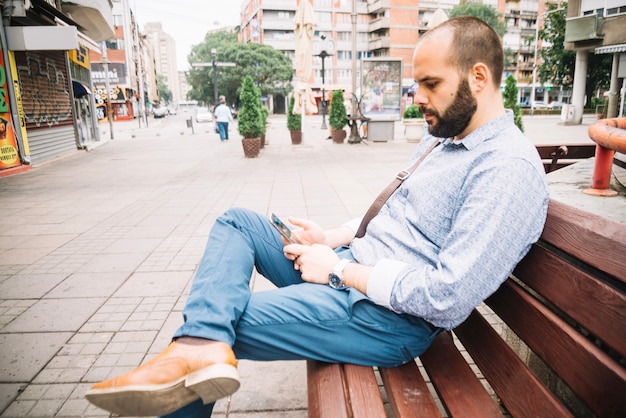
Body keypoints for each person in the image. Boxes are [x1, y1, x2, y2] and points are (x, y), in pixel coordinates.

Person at [85, 16, 549, 417]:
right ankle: (197, 347)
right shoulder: (445, 137)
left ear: (479, 77)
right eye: (416, 84)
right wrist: (329, 237)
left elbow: (446, 298)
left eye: (431, 84)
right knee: (237, 223)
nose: (418, 97)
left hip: (387, 318)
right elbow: (393, 214)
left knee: (225, 328)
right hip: (349, 268)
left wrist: (341, 269)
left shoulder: (506, 169)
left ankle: (194, 351)